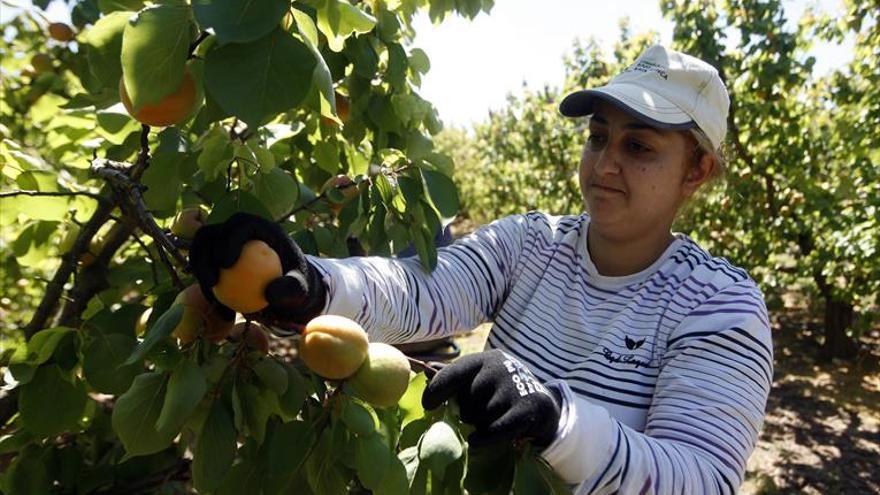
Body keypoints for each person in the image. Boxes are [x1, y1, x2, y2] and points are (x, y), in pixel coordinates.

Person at [190, 44, 772, 494]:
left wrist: (558, 421)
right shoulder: (533, 243)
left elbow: (701, 477)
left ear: (697, 170)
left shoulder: (718, 304)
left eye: (639, 147)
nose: (604, 164)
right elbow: (425, 289)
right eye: (598, 138)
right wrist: (314, 282)